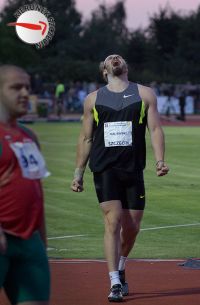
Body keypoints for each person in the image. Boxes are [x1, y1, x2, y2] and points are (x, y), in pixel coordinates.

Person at [71, 54, 169, 302]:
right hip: (105, 168)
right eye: (109, 58)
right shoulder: (93, 99)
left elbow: (155, 128)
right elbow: (85, 138)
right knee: (112, 222)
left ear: (126, 66)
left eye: (119, 57)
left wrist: (160, 161)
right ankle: (115, 281)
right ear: (104, 70)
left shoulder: (145, 94)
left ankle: (121, 265)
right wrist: (78, 173)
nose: (115, 58)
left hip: (133, 169)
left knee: (132, 228)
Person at [0, 65, 50, 305]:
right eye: (15, 87)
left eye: (27, 87)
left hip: (30, 242)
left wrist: (42, 240)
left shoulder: (29, 136)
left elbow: (36, 190)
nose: (24, 93)